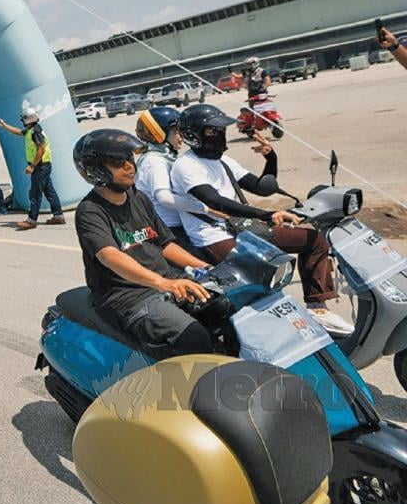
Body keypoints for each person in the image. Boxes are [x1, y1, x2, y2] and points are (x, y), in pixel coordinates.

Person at [169, 104, 352, 334]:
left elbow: (261, 187)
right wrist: (267, 214)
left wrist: (271, 157)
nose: (220, 135)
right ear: (192, 135)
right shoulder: (185, 166)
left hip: (242, 230)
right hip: (213, 237)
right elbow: (214, 201)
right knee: (266, 272)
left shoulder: (224, 162)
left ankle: (317, 307)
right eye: (212, 131)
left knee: (313, 240)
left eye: (221, 130)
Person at [73, 129, 224, 361]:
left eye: (129, 159)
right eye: (117, 162)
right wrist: (162, 283)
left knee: (226, 309)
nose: (129, 166)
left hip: (166, 281)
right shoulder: (90, 211)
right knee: (193, 337)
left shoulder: (138, 197)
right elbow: (110, 255)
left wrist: (206, 267)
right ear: (95, 170)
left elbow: (164, 244)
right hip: (128, 296)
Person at [132, 108, 220, 251]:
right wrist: (206, 209)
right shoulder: (154, 161)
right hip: (170, 230)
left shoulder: (163, 157)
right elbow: (164, 198)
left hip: (176, 225)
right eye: (176, 132)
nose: (181, 137)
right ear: (159, 134)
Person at [0, 111, 63, 227]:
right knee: (49, 191)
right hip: (43, 165)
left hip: (40, 166)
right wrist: (4, 125)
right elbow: (18, 132)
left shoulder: (35, 131)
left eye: (23, 119)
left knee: (35, 193)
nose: (22, 121)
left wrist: (32, 166)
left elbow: (41, 149)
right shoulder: (30, 130)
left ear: (27, 120)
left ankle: (32, 220)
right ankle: (58, 216)